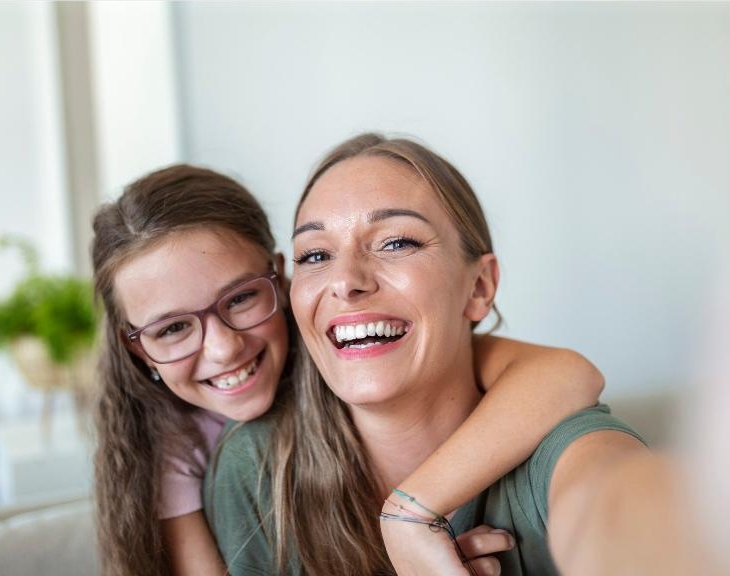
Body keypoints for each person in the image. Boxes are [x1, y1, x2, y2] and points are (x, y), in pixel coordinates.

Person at [207, 134, 707, 575]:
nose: (345, 281)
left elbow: (623, 510)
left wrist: (408, 514)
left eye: (397, 242)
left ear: (479, 287)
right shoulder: (259, 464)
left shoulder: (561, 448)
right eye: (315, 255)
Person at [89, 164, 611, 575]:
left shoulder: (368, 343)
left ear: (280, 276)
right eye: (172, 329)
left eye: (243, 298)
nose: (224, 349)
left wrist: (410, 513)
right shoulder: (195, 455)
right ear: (135, 347)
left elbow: (567, 373)